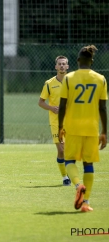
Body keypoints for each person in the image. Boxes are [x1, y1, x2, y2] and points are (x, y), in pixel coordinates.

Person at [58, 45, 107, 212]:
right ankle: (85, 203)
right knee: (88, 164)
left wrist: (60, 126)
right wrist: (104, 131)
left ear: (78, 61)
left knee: (69, 161)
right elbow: (102, 108)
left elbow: (62, 105)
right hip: (92, 128)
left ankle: (78, 185)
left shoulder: (69, 78)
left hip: (72, 127)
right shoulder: (101, 79)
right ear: (92, 61)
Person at [38, 56, 71, 186]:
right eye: (60, 64)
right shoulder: (49, 83)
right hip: (56, 122)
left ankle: (69, 172)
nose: (62, 66)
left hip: (71, 121)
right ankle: (65, 177)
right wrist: (51, 108)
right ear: (56, 67)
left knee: (69, 150)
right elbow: (40, 102)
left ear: (68, 66)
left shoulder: (72, 81)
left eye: (64, 64)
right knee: (62, 150)